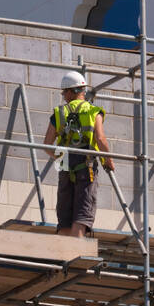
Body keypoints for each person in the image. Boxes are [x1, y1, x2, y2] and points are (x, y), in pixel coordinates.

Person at [43, 71, 114, 237]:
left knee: (65, 215)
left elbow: (46, 145)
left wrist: (62, 159)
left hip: (65, 164)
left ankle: (63, 257)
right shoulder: (93, 111)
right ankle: (75, 253)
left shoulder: (59, 113)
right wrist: (108, 160)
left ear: (72, 91)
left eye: (64, 92)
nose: (63, 96)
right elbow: (100, 138)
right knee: (82, 212)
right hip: (86, 164)